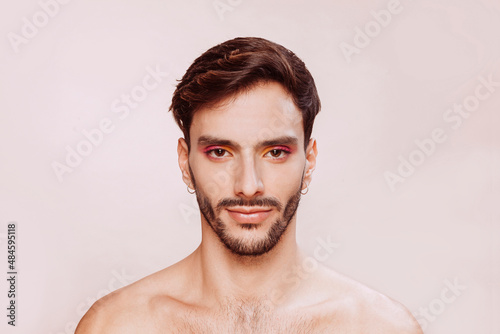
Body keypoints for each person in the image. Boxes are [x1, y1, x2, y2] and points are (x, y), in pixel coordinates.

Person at [76, 37, 423, 333]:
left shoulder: (378, 326)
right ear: (186, 161)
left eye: (275, 151)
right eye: (219, 152)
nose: (248, 185)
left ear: (309, 160)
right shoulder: (120, 325)